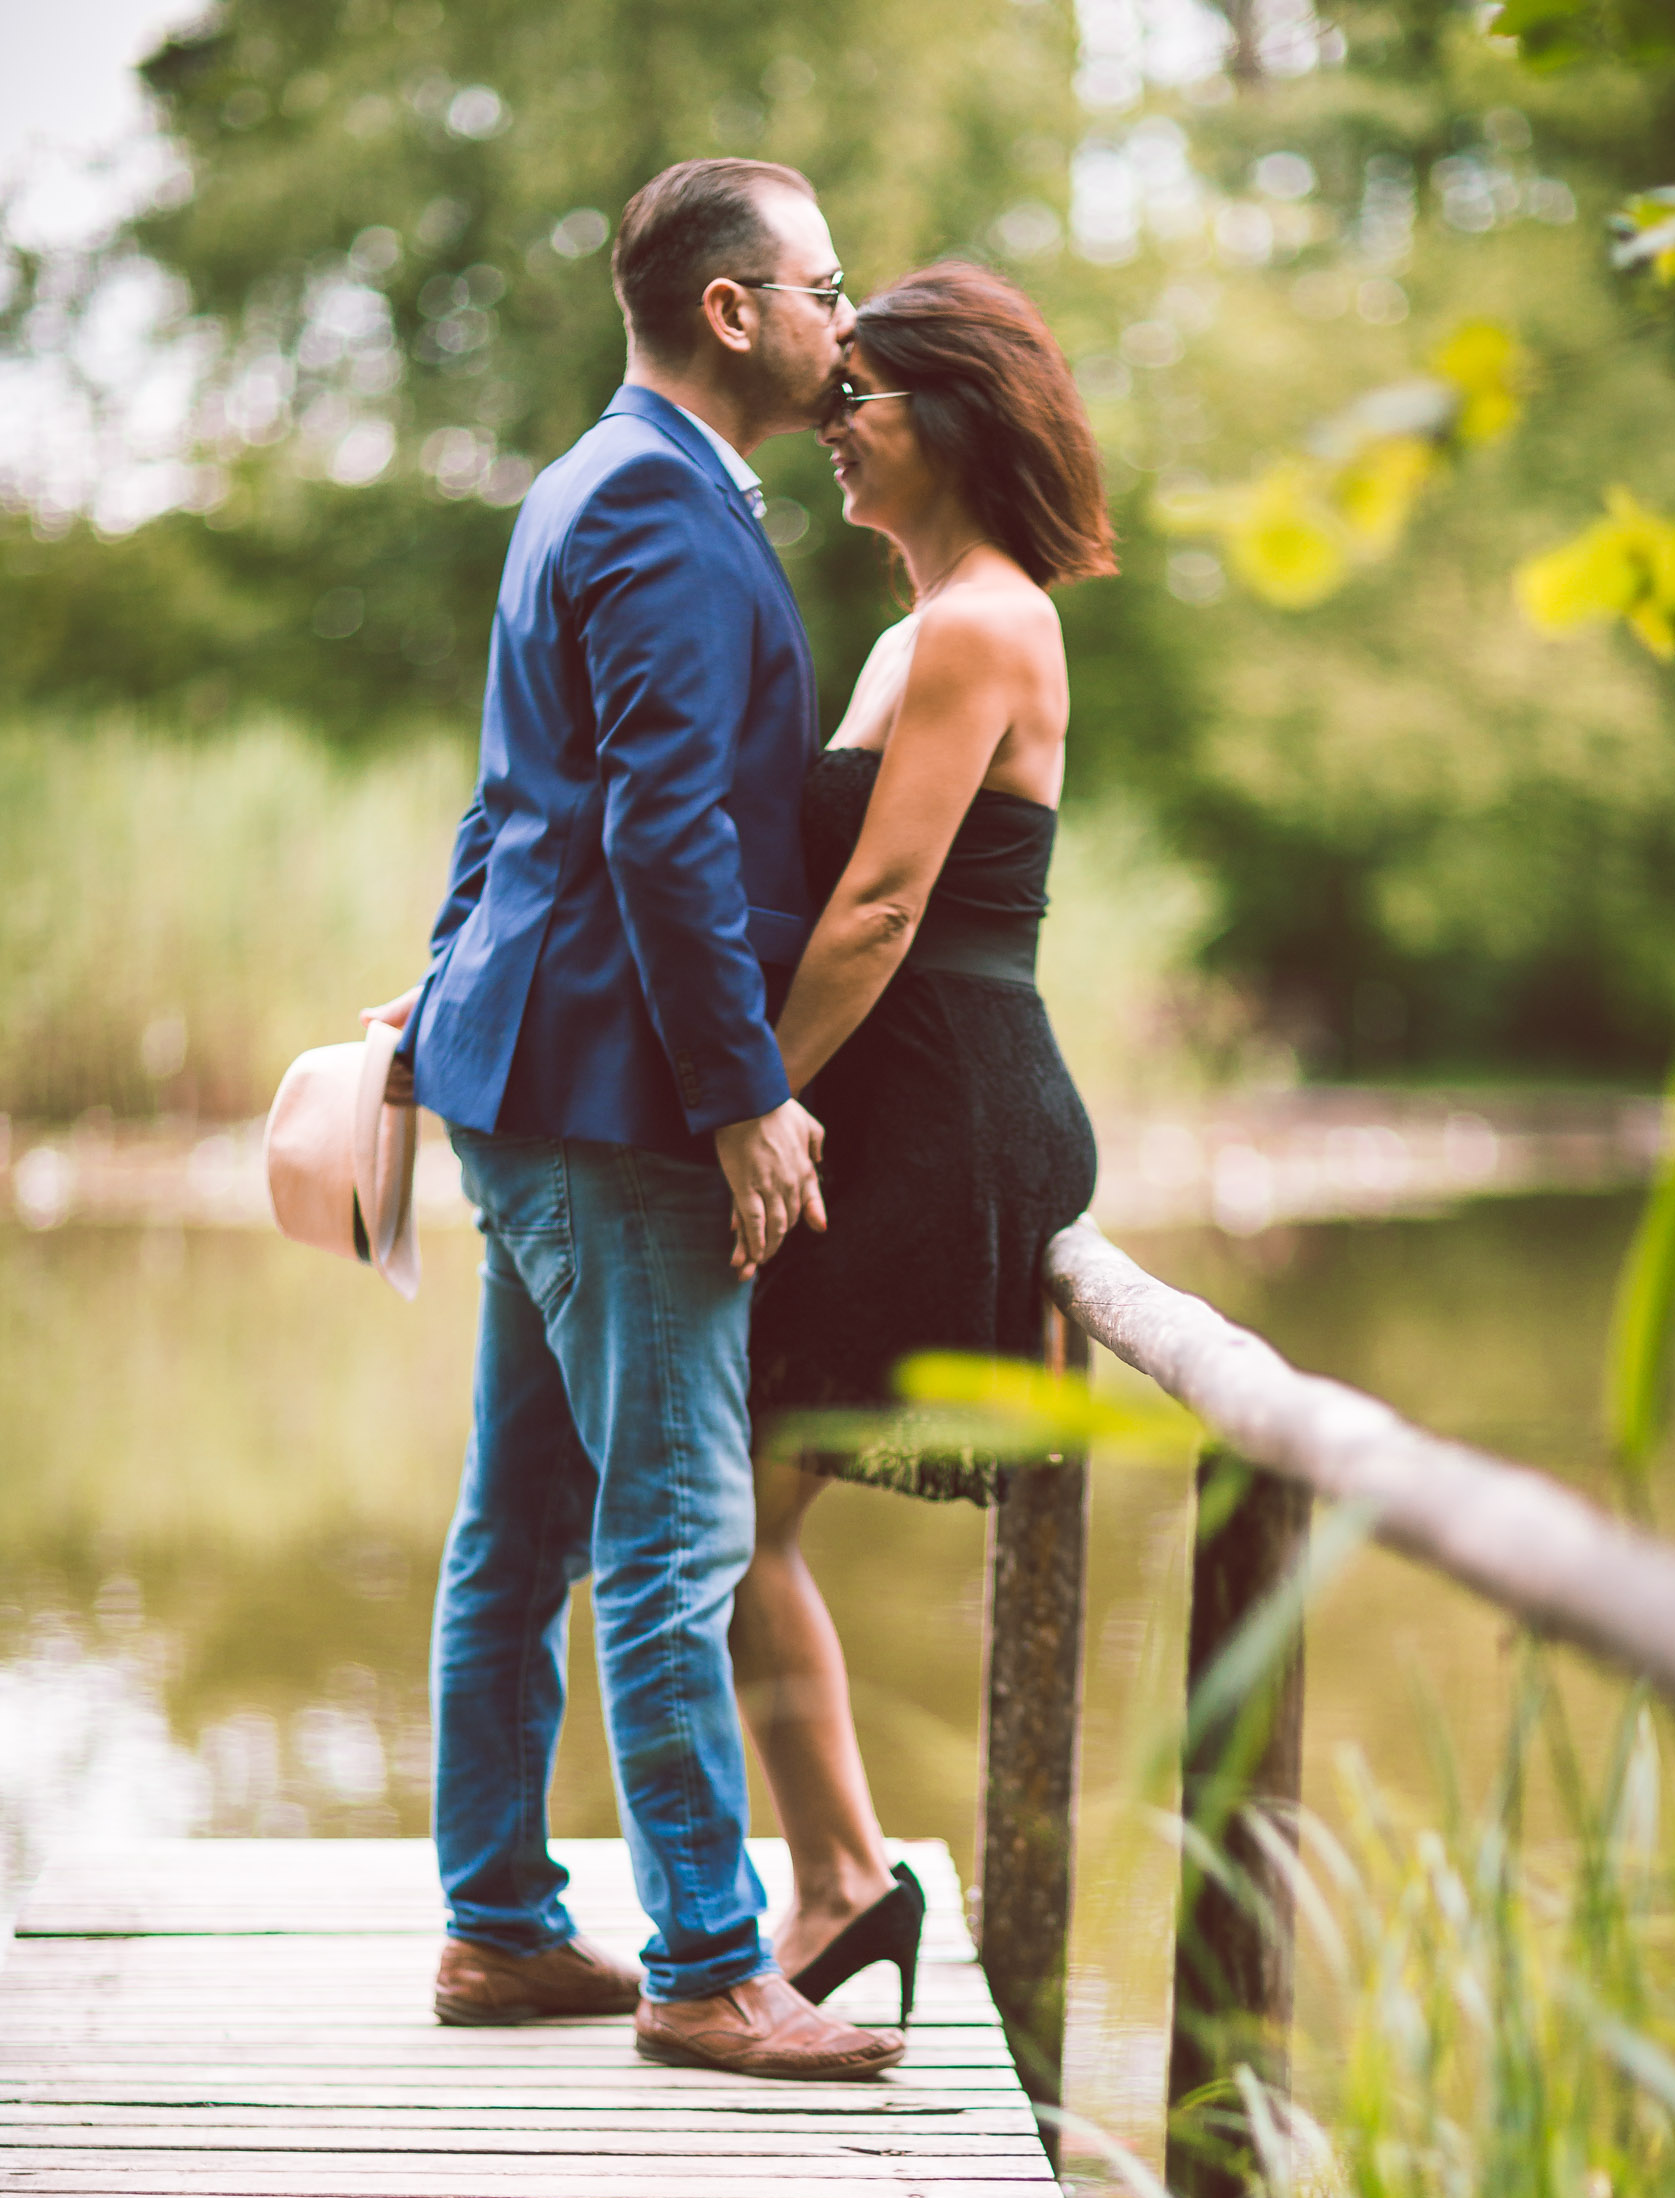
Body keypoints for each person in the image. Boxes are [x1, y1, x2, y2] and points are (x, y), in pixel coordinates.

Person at [365, 158, 904, 2080]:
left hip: (532, 1082)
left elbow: (509, 806)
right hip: (614, 1103)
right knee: (674, 1538)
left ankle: (502, 1929)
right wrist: (747, 1096)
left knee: (519, 1525)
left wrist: (439, 996)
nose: (851, 327)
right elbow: (655, 834)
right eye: (827, 288)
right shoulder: (666, 515)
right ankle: (703, 1962)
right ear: (737, 310)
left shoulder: (582, 484)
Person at [730, 264, 1115, 2026]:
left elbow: (884, 909)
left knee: (728, 1517)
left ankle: (843, 1885)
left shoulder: (982, 620)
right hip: (890, 1101)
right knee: (727, 1518)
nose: (830, 424)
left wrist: (742, 1098)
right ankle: (841, 1885)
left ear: (949, 418)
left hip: (942, 1113)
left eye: (857, 397)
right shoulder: (923, 619)